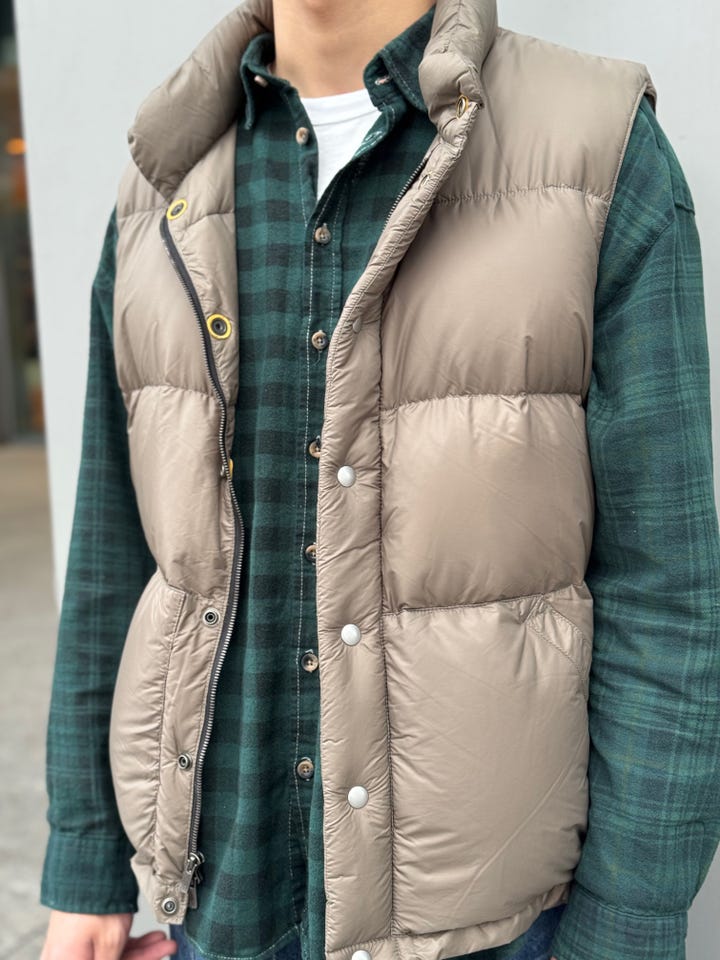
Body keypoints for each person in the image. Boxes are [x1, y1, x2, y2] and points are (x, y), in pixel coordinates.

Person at [38, 1, 720, 959]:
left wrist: (630, 928)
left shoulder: (597, 147)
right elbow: (114, 556)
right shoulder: (163, 179)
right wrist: (85, 868)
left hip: (490, 928)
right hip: (217, 912)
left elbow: (668, 591)